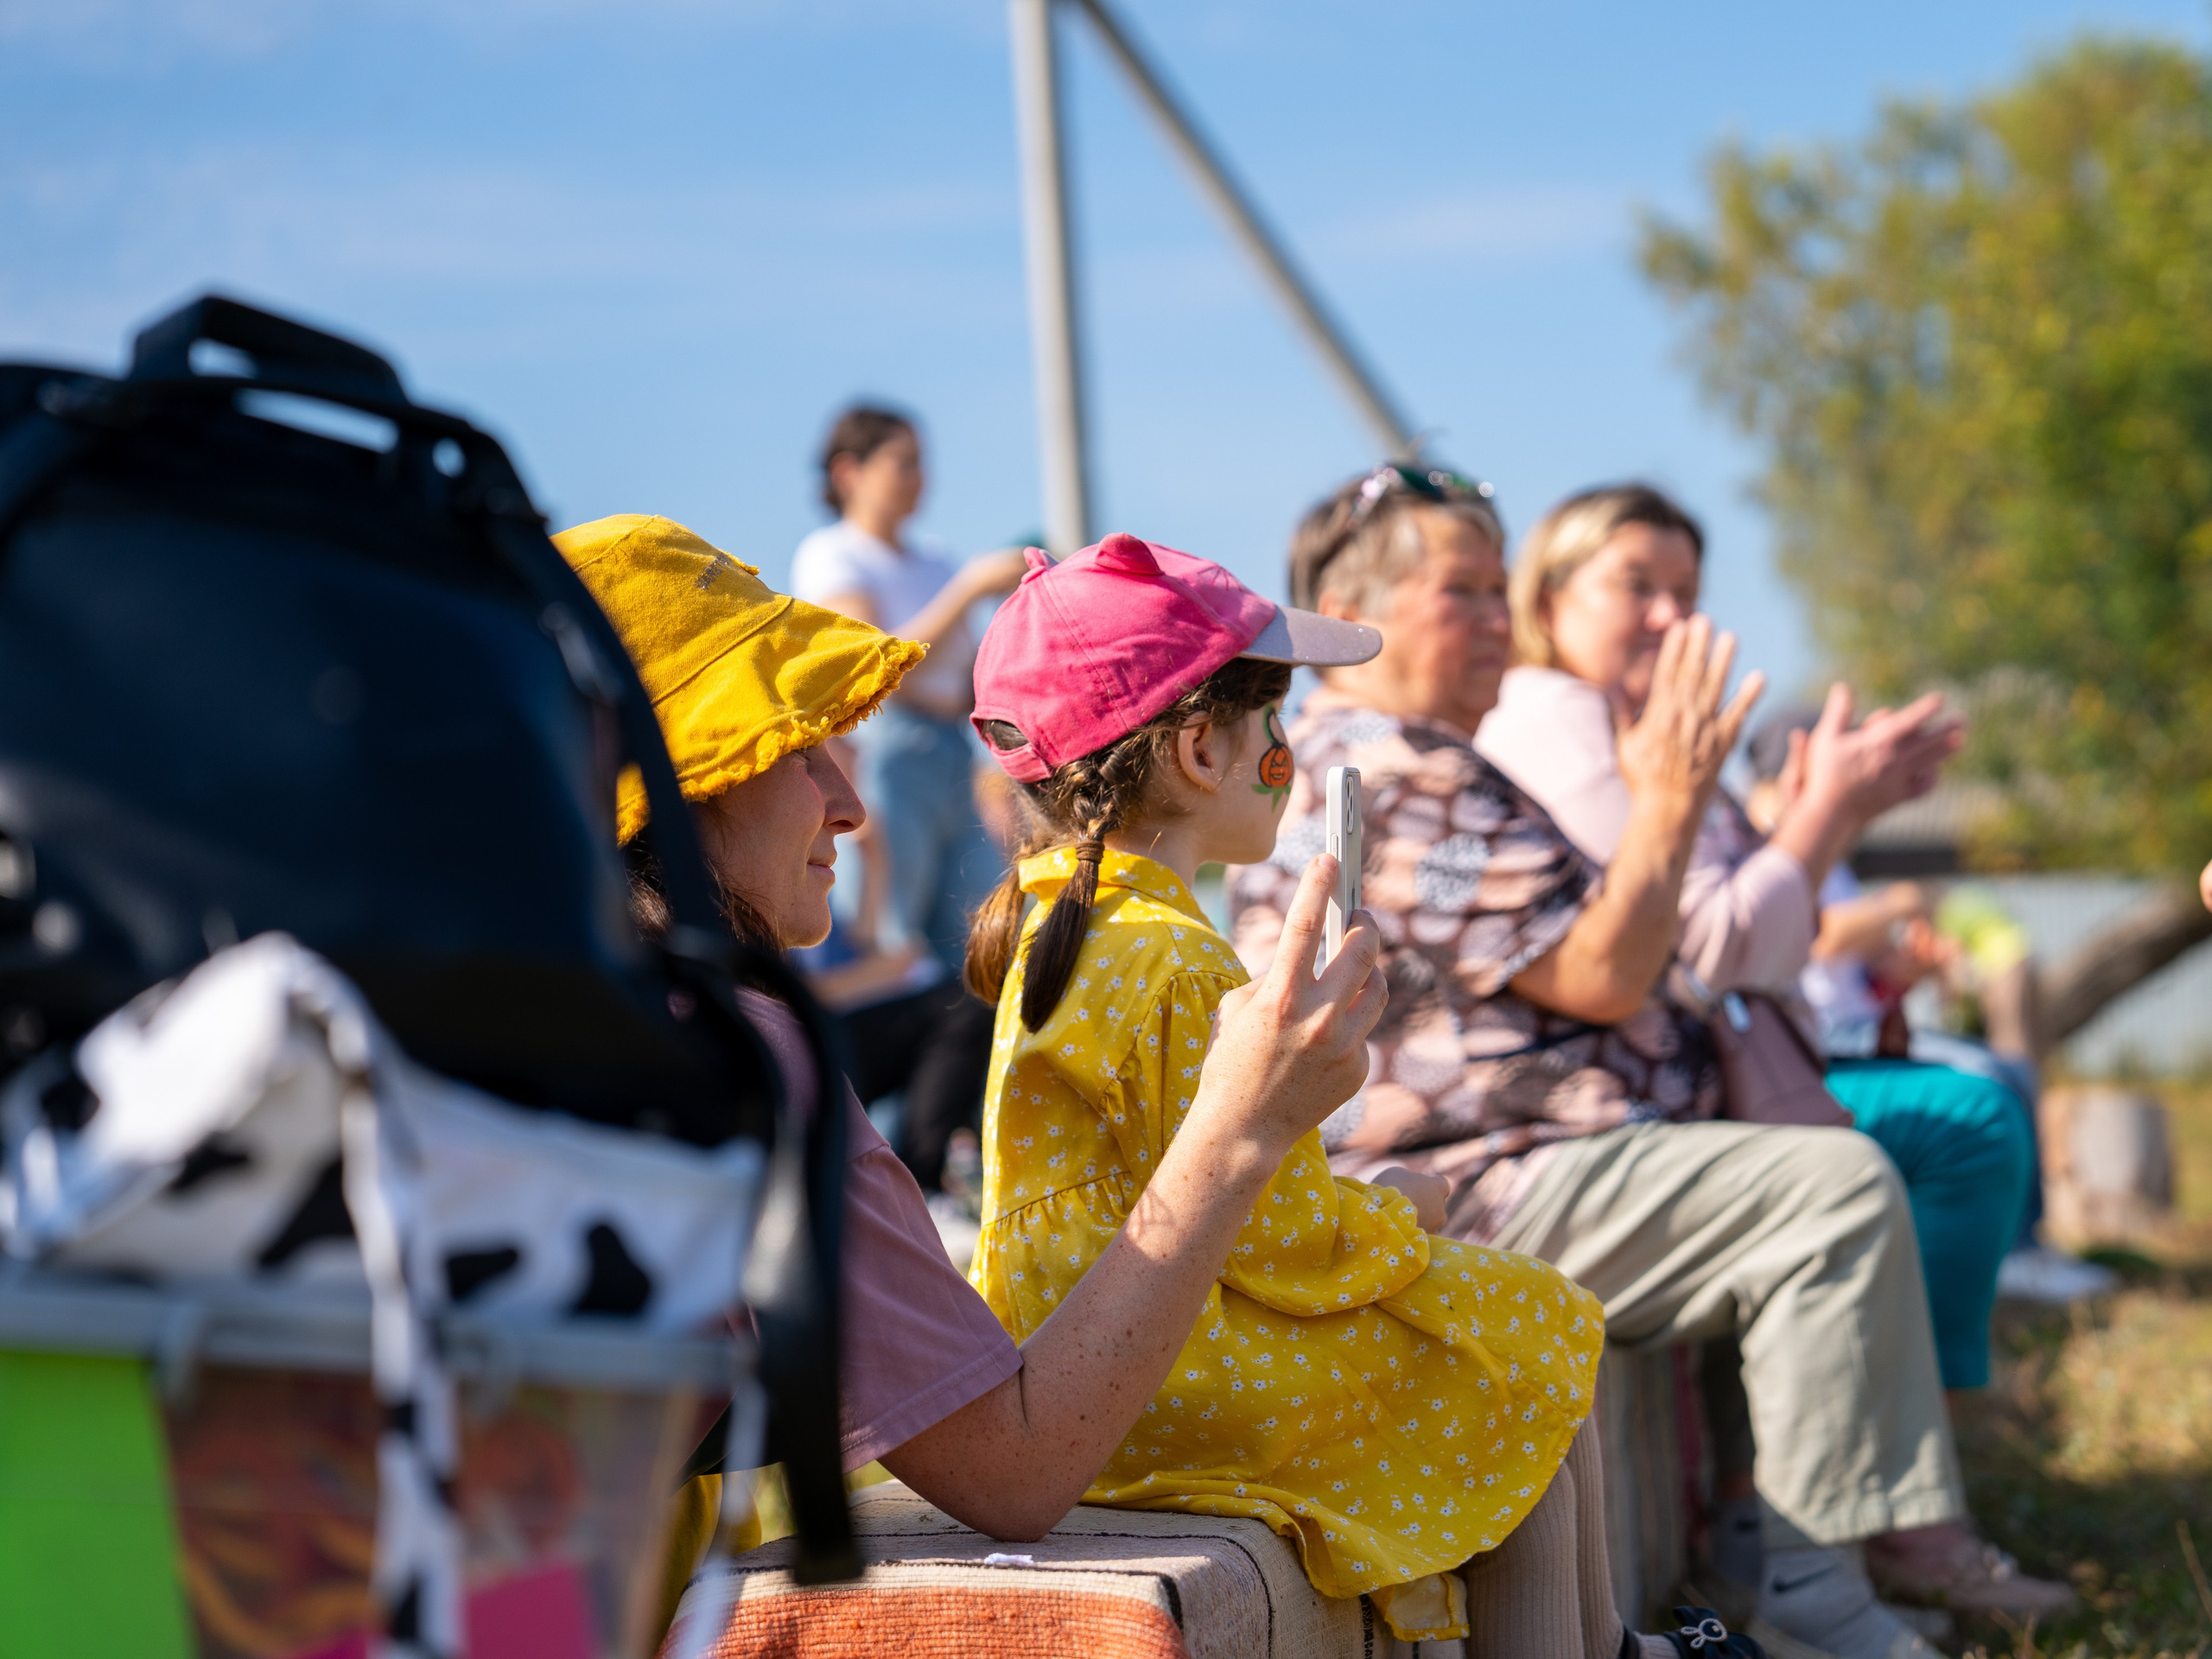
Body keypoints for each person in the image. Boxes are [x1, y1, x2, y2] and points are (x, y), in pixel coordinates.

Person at [1226, 467, 2072, 1659]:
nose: (1495, 619)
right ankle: (1816, 1601)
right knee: (1821, 1193)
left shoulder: (1415, 757)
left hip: (1529, 1161)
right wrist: (1670, 798)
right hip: (1471, 1181)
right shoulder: (1386, 767)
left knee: (1798, 1177)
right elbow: (1604, 976)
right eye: (1461, 591)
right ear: (1353, 615)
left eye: (1494, 588)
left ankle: (1774, 1552)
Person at [550, 514, 1393, 1638]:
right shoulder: (737, 1057)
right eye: (793, 751)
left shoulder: (484, 1020)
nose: (846, 801)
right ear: (675, 791)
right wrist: (1238, 1126)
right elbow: (1012, 1471)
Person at [1472, 483, 2035, 1403]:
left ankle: (1912, 1427)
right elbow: (1722, 947)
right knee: (1963, 1123)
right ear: (1548, 600)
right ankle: (1919, 1422)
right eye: (1635, 585)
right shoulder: (1555, 712)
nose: (1670, 616)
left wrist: (1825, 820)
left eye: (1686, 592)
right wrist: (1827, 813)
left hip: (1686, 1085)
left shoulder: (1642, 728)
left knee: (1973, 1106)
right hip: (1619, 1109)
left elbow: (1765, 937)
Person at [1739, 706, 2116, 1308]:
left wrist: (1899, 974)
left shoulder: (1829, 857)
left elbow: (1842, 970)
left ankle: (2013, 1251)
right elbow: (1817, 934)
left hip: (1850, 1031)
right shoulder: (1766, 845)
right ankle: (2011, 1257)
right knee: (1992, 1081)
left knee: (2004, 1073)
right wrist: (1901, 901)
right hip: (1810, 1052)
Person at [790, 405, 1027, 982]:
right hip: (883, 751)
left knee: (981, 941)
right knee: (888, 943)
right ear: (850, 471)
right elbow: (872, 661)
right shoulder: (832, 553)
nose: (921, 478)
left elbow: (962, 672)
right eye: (905, 462)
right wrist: (969, 587)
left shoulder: (935, 558)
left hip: (951, 750)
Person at [792, 735, 998, 1199]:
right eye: (841, 742)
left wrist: (875, 856)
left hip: (836, 1039)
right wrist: (891, 970)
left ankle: (924, 1177)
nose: (859, 751)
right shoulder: (772, 883)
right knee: (958, 1009)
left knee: (961, 1008)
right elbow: (796, 996)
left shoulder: (815, 885)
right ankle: (920, 1182)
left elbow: (865, 939)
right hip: (809, 1051)